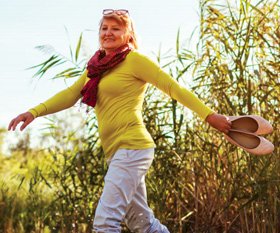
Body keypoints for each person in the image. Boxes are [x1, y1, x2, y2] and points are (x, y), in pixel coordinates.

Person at [8, 9, 231, 232]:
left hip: (132, 147)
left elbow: (174, 88)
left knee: (105, 222)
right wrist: (34, 112)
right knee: (141, 223)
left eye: (116, 28)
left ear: (129, 34)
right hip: (115, 152)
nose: (108, 33)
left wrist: (209, 115)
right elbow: (70, 94)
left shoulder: (135, 60)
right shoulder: (96, 67)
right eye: (104, 28)